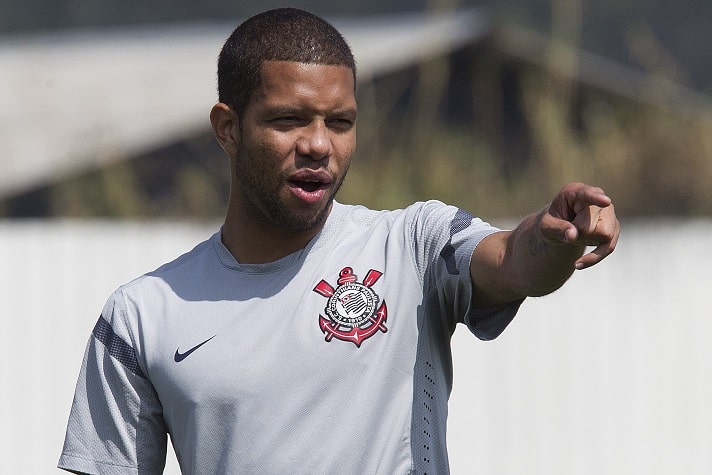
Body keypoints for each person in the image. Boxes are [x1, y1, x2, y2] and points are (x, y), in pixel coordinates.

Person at [58, 7, 619, 475]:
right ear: (228, 128)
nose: (319, 145)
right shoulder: (141, 317)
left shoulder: (412, 248)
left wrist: (556, 239)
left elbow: (513, 262)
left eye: (341, 122)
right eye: (289, 120)